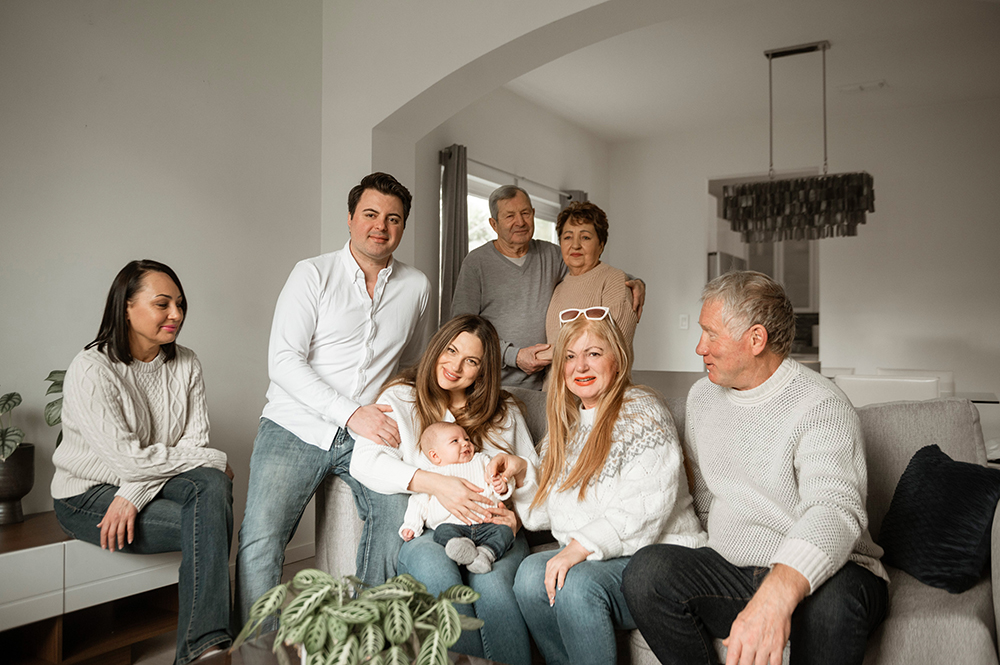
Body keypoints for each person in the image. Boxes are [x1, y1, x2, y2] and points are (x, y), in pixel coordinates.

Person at [622, 271, 889, 665]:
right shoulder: (702, 398)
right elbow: (707, 496)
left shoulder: (821, 405)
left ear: (756, 339)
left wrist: (778, 592)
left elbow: (835, 510)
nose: (700, 347)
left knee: (831, 606)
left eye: (711, 335)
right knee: (647, 573)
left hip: (836, 574)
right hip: (733, 570)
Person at [234, 173, 431, 630]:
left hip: (370, 435)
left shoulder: (417, 286)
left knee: (396, 520)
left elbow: (414, 364)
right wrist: (351, 413)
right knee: (260, 539)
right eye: (370, 214)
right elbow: (283, 362)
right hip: (295, 425)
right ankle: (257, 651)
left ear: (402, 227)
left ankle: (363, 639)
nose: (380, 226)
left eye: (393, 219)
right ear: (349, 219)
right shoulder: (312, 273)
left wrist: (392, 413)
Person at [51, 260, 233, 665]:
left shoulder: (186, 362)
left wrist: (133, 492)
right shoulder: (92, 369)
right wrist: (216, 459)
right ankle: (211, 648)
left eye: (181, 304)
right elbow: (129, 459)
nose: (176, 315)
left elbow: (192, 444)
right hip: (87, 495)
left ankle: (204, 651)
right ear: (126, 307)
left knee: (213, 486)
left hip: (140, 483)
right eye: (162, 304)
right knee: (211, 512)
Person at [512, 309, 706, 665]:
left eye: (593, 354)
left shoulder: (642, 411)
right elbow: (543, 517)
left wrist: (577, 548)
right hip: (601, 559)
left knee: (577, 584)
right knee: (528, 576)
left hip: (659, 560)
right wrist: (523, 475)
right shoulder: (566, 427)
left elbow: (646, 508)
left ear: (617, 359)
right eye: (570, 356)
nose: (580, 366)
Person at [350, 314, 539, 665]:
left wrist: (515, 512)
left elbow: (536, 477)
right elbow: (364, 462)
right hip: (431, 529)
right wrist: (437, 483)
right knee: (440, 576)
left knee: (495, 589)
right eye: (450, 351)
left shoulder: (504, 410)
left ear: (483, 371)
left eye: (471, 361)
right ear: (437, 348)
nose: (455, 366)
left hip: (494, 528)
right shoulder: (402, 400)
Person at [450, 185, 645, 390]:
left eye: (525, 213)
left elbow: (588, 268)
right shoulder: (476, 263)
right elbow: (462, 329)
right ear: (494, 224)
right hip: (493, 384)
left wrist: (634, 282)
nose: (520, 222)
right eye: (510, 216)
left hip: (544, 385)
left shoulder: (552, 255)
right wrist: (513, 356)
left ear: (533, 214)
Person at [399, 421, 515, 574]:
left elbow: (497, 478)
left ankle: (486, 554)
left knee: (505, 531)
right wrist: (411, 525)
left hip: (488, 524)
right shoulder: (432, 474)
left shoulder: (482, 461)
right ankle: (463, 548)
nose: (465, 444)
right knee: (441, 531)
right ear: (435, 455)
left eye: (467, 439)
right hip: (454, 528)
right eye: (455, 441)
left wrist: (502, 486)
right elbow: (418, 502)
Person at [544, 201, 638, 351]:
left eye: (585, 237)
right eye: (567, 237)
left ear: (601, 244)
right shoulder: (558, 288)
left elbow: (615, 348)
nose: (575, 245)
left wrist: (549, 354)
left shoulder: (614, 281)